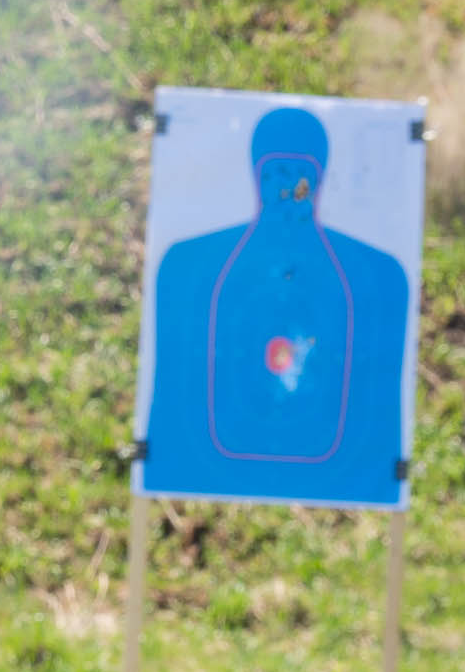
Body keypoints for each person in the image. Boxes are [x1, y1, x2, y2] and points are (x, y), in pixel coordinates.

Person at [141, 103, 411, 506]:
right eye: (273, 174)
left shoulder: (379, 275)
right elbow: (174, 402)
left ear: (319, 179)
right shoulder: (188, 265)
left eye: (297, 175)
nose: (286, 190)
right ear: (256, 175)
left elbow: (377, 415)